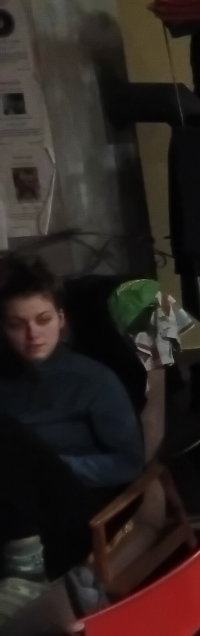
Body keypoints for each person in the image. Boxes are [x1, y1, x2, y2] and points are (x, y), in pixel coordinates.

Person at [0, 257, 144, 623]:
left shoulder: (94, 379)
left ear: (61, 319)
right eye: (17, 324)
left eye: (43, 320)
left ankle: (28, 570)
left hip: (75, 504)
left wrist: (50, 467)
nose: (33, 334)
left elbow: (128, 463)